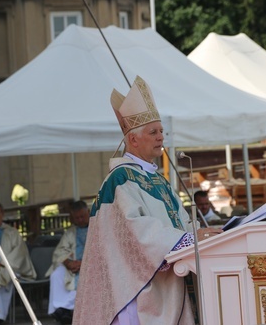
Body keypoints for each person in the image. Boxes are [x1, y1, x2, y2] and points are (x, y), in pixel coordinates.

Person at [73, 76, 222, 324]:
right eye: (153, 132)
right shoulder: (120, 180)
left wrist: (201, 234)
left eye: (161, 131)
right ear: (133, 139)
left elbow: (181, 220)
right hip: (134, 289)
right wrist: (187, 239)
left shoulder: (158, 179)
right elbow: (135, 233)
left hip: (167, 285)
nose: (160, 137)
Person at [46, 200, 90, 325]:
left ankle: (66, 311)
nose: (80, 220)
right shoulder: (70, 232)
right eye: (77, 218)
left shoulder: (97, 229)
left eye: (82, 216)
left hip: (91, 266)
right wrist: (68, 263)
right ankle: (60, 309)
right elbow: (60, 251)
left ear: (88, 212)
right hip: (73, 266)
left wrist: (83, 264)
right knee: (57, 274)